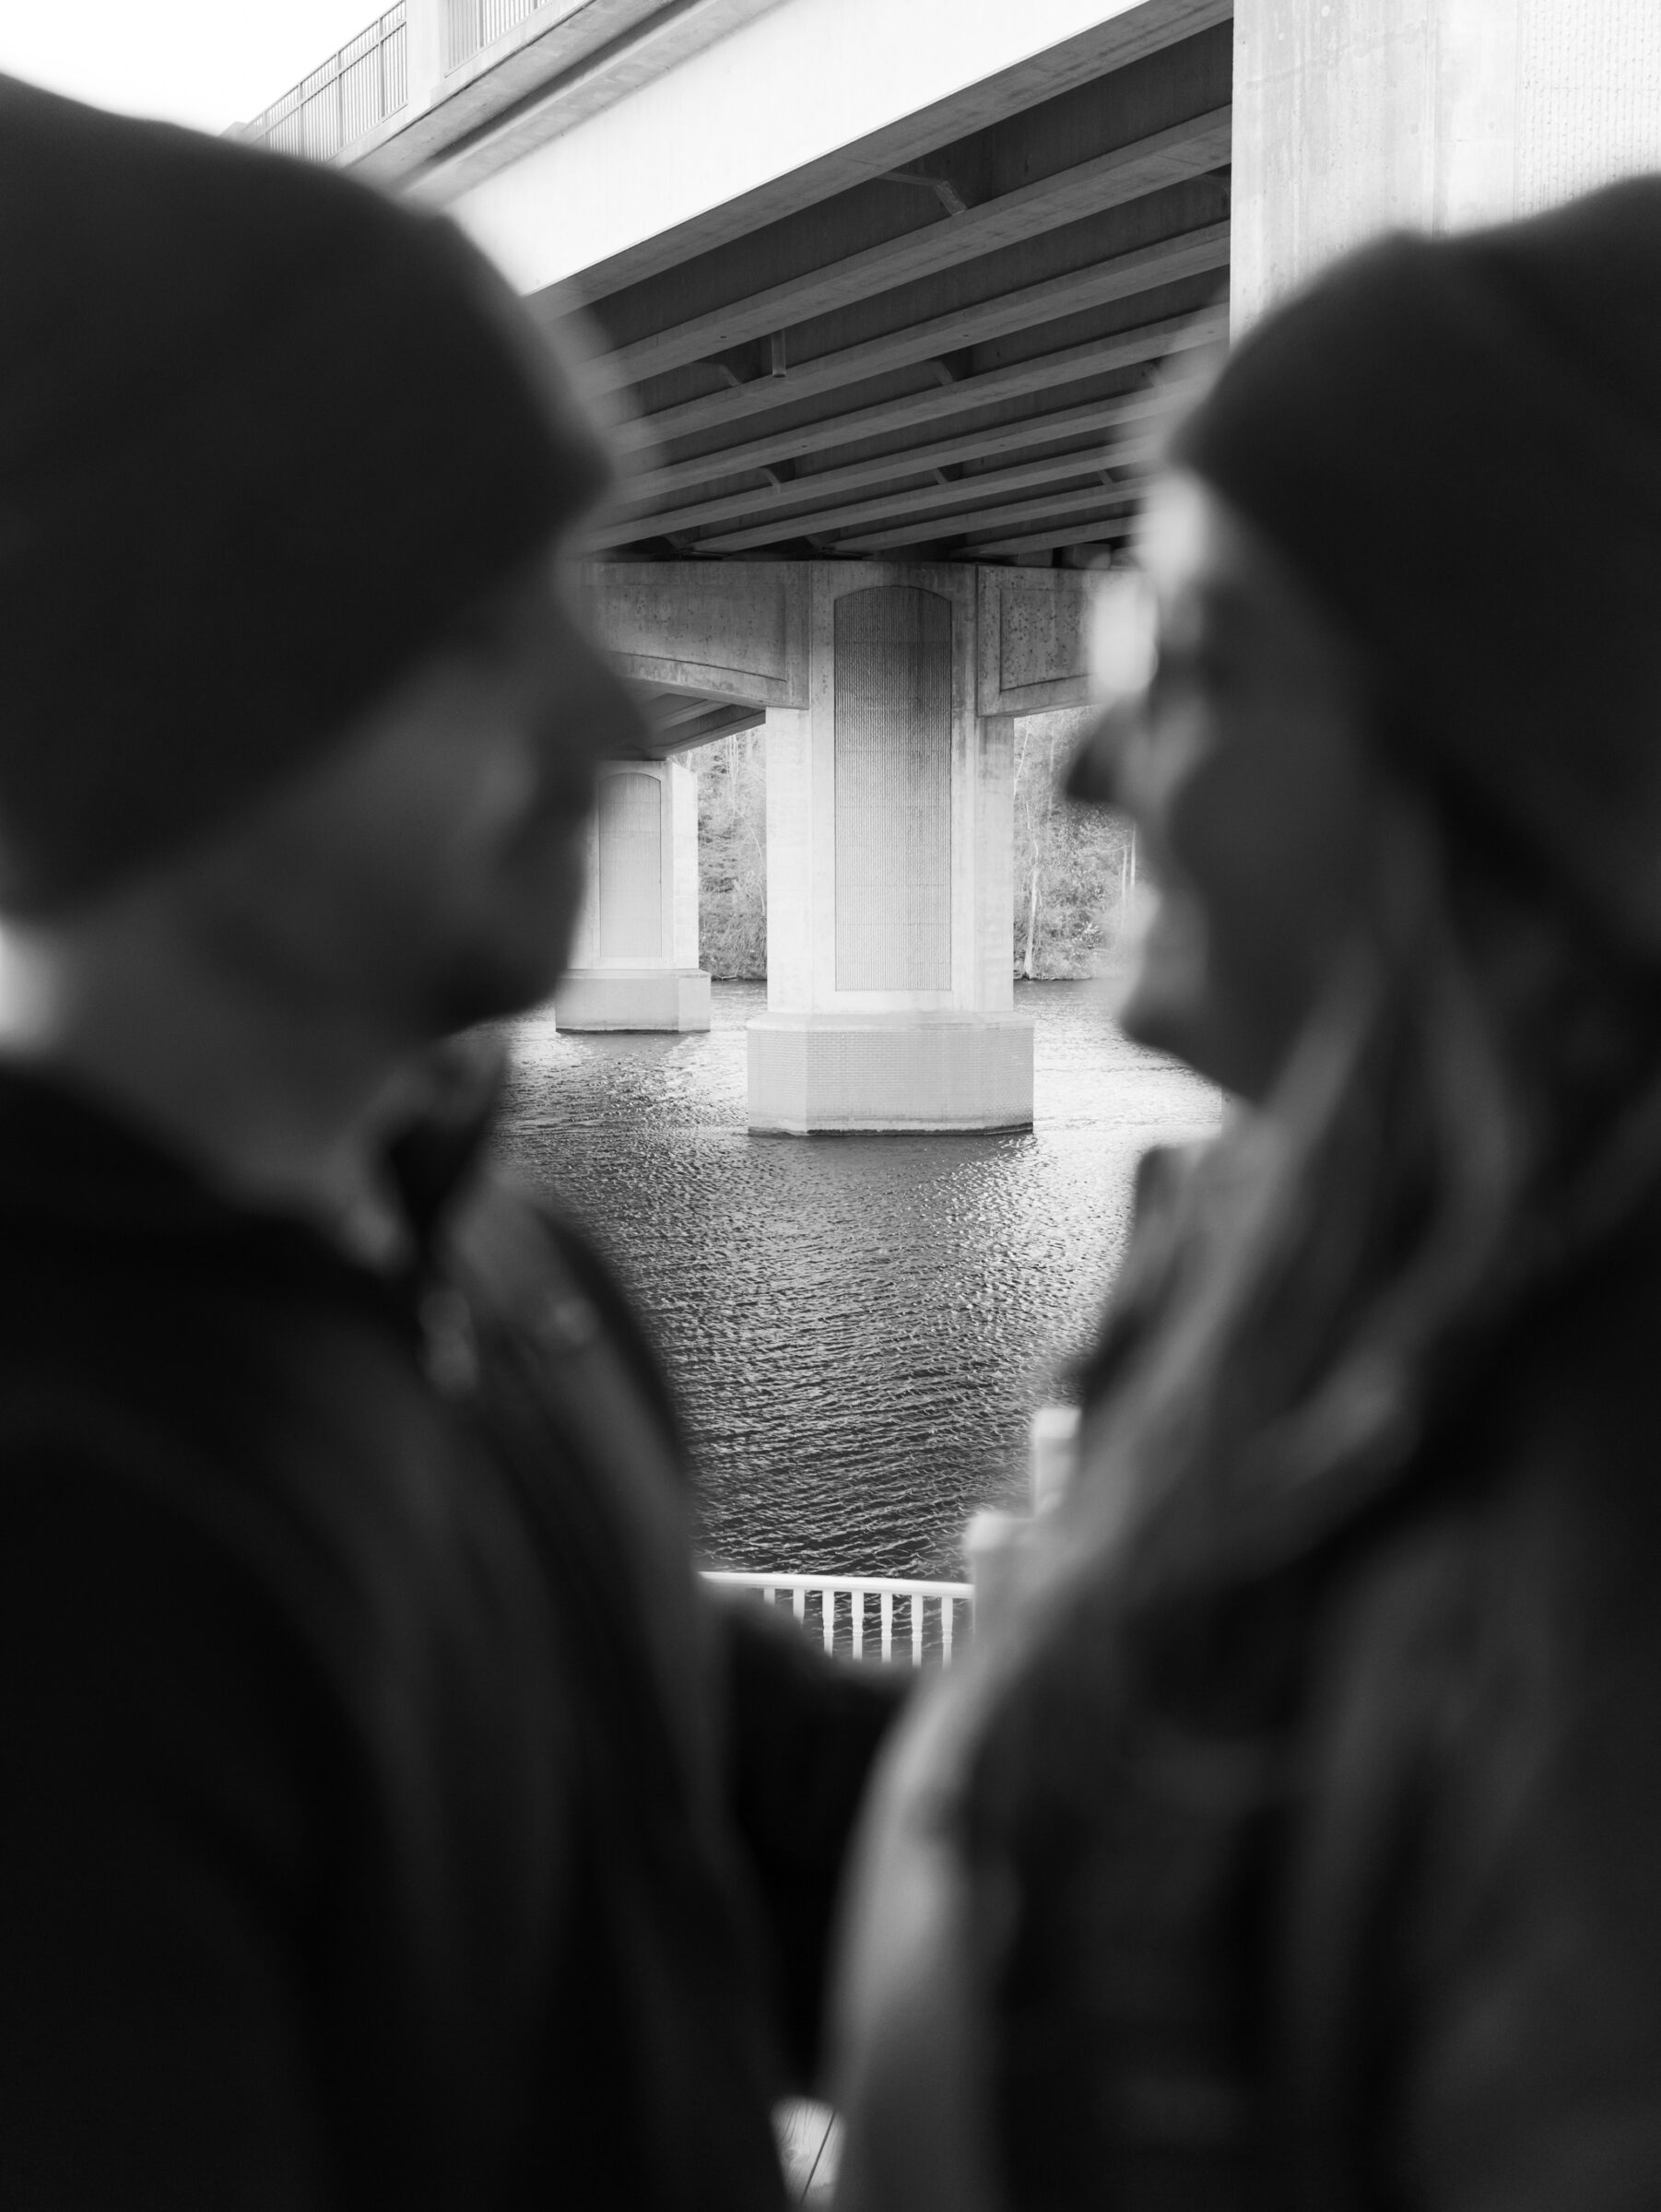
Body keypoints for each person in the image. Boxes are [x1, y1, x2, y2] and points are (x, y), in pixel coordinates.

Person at [0, 76, 902, 2209]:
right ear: (175, 709)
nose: (615, 724)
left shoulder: (503, 1277)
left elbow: (710, 1828)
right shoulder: (61, 1525)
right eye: (479, 635)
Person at [832, 178, 1661, 2210]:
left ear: (1499, 765)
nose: (1083, 768)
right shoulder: (1303, 1313)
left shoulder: (1593, 1595)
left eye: (1195, 660)